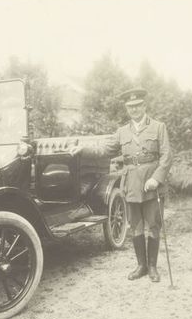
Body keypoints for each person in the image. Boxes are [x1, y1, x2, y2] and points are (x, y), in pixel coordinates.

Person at [71, 88, 172, 282]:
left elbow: (167, 156)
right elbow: (104, 150)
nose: (134, 109)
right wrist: (83, 148)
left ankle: (152, 267)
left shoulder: (159, 127)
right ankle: (141, 266)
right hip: (132, 184)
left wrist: (156, 178)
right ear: (127, 109)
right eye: (130, 107)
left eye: (137, 105)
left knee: (153, 226)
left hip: (152, 183)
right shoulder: (122, 132)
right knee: (135, 226)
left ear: (144, 105)